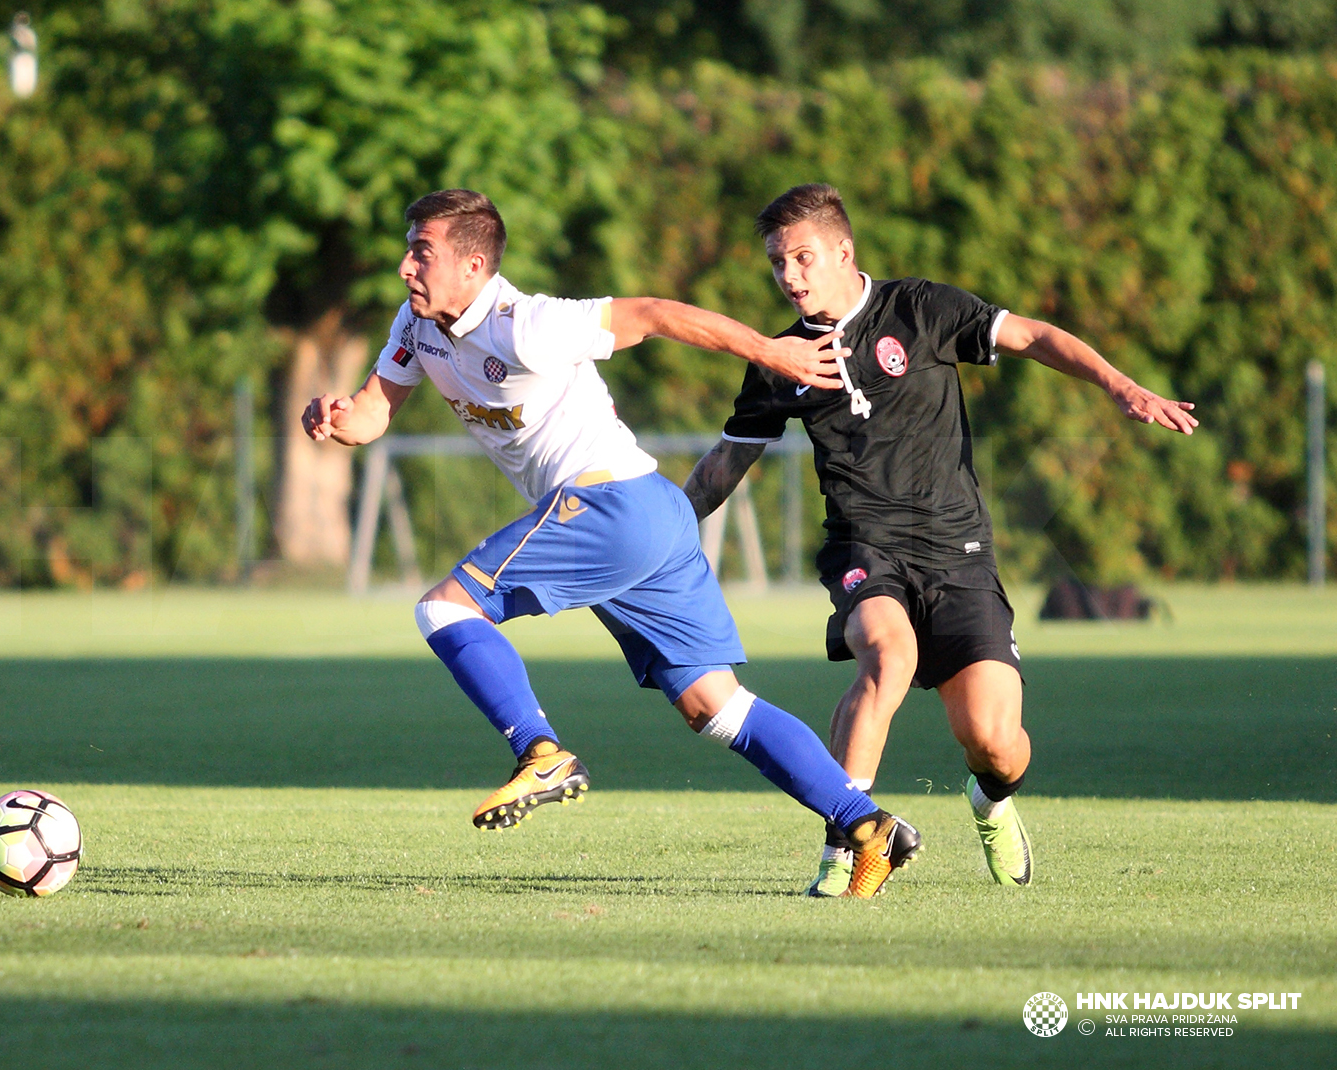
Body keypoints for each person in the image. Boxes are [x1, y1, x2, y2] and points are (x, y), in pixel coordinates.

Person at [302, 188, 920, 897]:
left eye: (422, 252)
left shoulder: (527, 325)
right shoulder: (416, 327)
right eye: (408, 249)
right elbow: (373, 416)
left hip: (609, 504)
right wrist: (338, 416)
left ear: (474, 265)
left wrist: (769, 351)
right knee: (716, 706)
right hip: (651, 514)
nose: (406, 267)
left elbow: (656, 316)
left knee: (445, 610)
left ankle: (540, 753)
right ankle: (867, 823)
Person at [683, 183, 1198, 895]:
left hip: (957, 550)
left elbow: (1035, 336)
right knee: (886, 654)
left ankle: (990, 800)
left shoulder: (920, 310)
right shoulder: (780, 357)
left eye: (803, 258)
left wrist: (1119, 385)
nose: (790, 277)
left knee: (994, 742)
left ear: (842, 251)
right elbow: (726, 461)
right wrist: (665, 532)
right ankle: (847, 846)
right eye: (777, 263)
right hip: (865, 547)